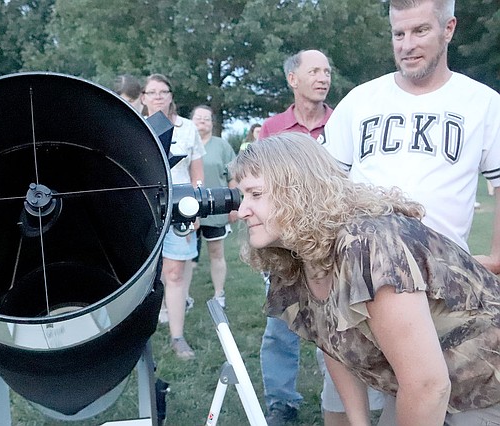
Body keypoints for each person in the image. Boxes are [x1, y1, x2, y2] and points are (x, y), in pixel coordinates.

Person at [233, 132, 500, 426]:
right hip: (423, 382)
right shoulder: (297, 256)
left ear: (298, 191)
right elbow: (333, 341)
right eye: (243, 195)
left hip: (487, 382)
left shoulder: (367, 245)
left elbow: (427, 386)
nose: (242, 210)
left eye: (255, 194)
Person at [322, 0, 500, 422]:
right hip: (357, 285)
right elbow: (324, 188)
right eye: (398, 34)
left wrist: (495, 258)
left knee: (432, 396)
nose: (407, 45)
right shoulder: (360, 101)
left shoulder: (483, 105)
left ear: (449, 28)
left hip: (439, 292)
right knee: (343, 410)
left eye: (420, 31)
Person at [256, 49, 334, 425]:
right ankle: (281, 402)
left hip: (330, 245)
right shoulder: (271, 129)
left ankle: (336, 397)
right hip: (285, 249)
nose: (323, 78)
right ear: (293, 79)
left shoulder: (342, 123)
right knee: (280, 327)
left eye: (326, 71)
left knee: (336, 325)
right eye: (314, 71)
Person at [141, 73, 205, 360]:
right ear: (143, 97)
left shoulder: (188, 129)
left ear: (171, 97)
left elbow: (197, 174)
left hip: (178, 208)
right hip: (142, 212)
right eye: (152, 92)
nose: (157, 96)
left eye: (163, 91)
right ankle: (136, 336)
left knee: (176, 272)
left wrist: (198, 208)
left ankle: (177, 336)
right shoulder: (133, 127)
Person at [190, 105, 237, 308]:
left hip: (216, 209)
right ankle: (183, 296)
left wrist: (234, 205)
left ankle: (219, 294)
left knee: (217, 253)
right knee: (187, 258)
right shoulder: (185, 143)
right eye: (198, 117)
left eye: (207, 119)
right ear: (191, 120)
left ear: (212, 123)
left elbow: (233, 176)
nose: (202, 121)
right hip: (189, 210)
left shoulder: (222, 146)